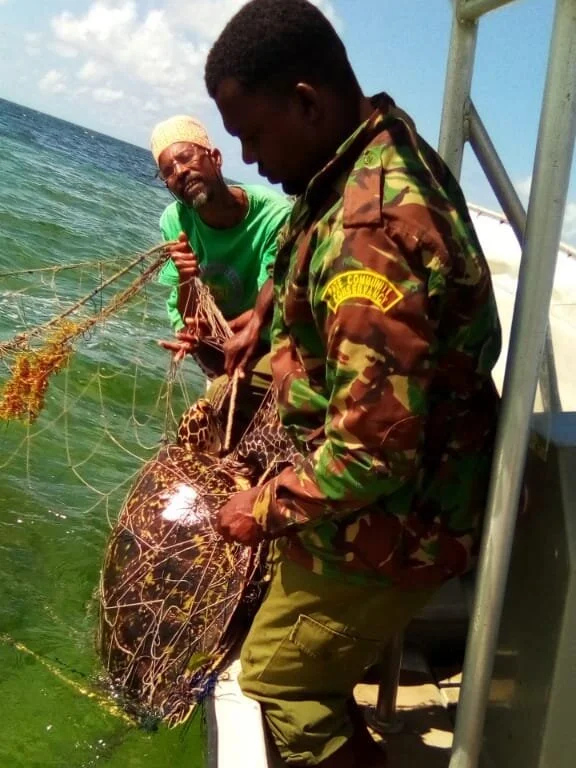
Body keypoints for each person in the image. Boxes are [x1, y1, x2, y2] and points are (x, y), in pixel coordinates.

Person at [204, 1, 502, 766]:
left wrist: (259, 508)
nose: (249, 160)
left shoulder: (369, 234)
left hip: (402, 523)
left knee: (279, 682)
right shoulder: (364, 153)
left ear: (306, 101)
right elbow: (305, 265)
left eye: (253, 135)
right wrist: (263, 329)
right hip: (416, 486)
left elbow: (373, 456)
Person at [151, 115, 292, 421]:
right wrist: (188, 281)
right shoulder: (174, 222)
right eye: (168, 173)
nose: (180, 172)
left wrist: (216, 331)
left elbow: (271, 304)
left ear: (215, 158)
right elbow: (188, 315)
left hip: (267, 338)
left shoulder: (274, 215)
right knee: (212, 423)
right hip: (215, 347)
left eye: (186, 158)